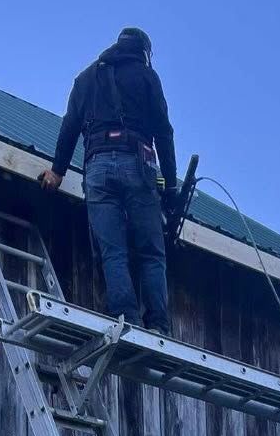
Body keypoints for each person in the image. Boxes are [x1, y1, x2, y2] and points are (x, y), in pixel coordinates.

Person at [39, 27, 177, 333]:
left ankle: (125, 318)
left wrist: (57, 171)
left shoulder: (85, 79)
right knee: (151, 251)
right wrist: (171, 185)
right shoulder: (146, 76)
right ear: (144, 52)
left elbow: (69, 127)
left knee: (112, 250)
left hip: (97, 166)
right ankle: (158, 325)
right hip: (137, 162)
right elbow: (164, 133)